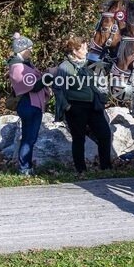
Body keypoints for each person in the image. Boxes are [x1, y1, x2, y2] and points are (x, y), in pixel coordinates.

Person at [55, 37, 112, 175]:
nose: (87, 50)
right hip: (75, 108)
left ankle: (106, 168)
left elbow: (102, 79)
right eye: (83, 48)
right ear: (74, 51)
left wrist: (104, 96)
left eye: (86, 47)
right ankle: (81, 170)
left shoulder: (91, 64)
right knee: (78, 139)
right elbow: (58, 89)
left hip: (94, 106)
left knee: (105, 134)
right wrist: (67, 107)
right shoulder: (64, 67)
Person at [4, 33, 49, 175]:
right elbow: (33, 85)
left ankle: (27, 166)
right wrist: (48, 77)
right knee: (29, 137)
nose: (31, 51)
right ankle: (24, 168)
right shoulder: (17, 67)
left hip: (34, 104)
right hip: (28, 104)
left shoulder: (26, 64)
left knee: (31, 137)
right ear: (23, 49)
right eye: (30, 48)